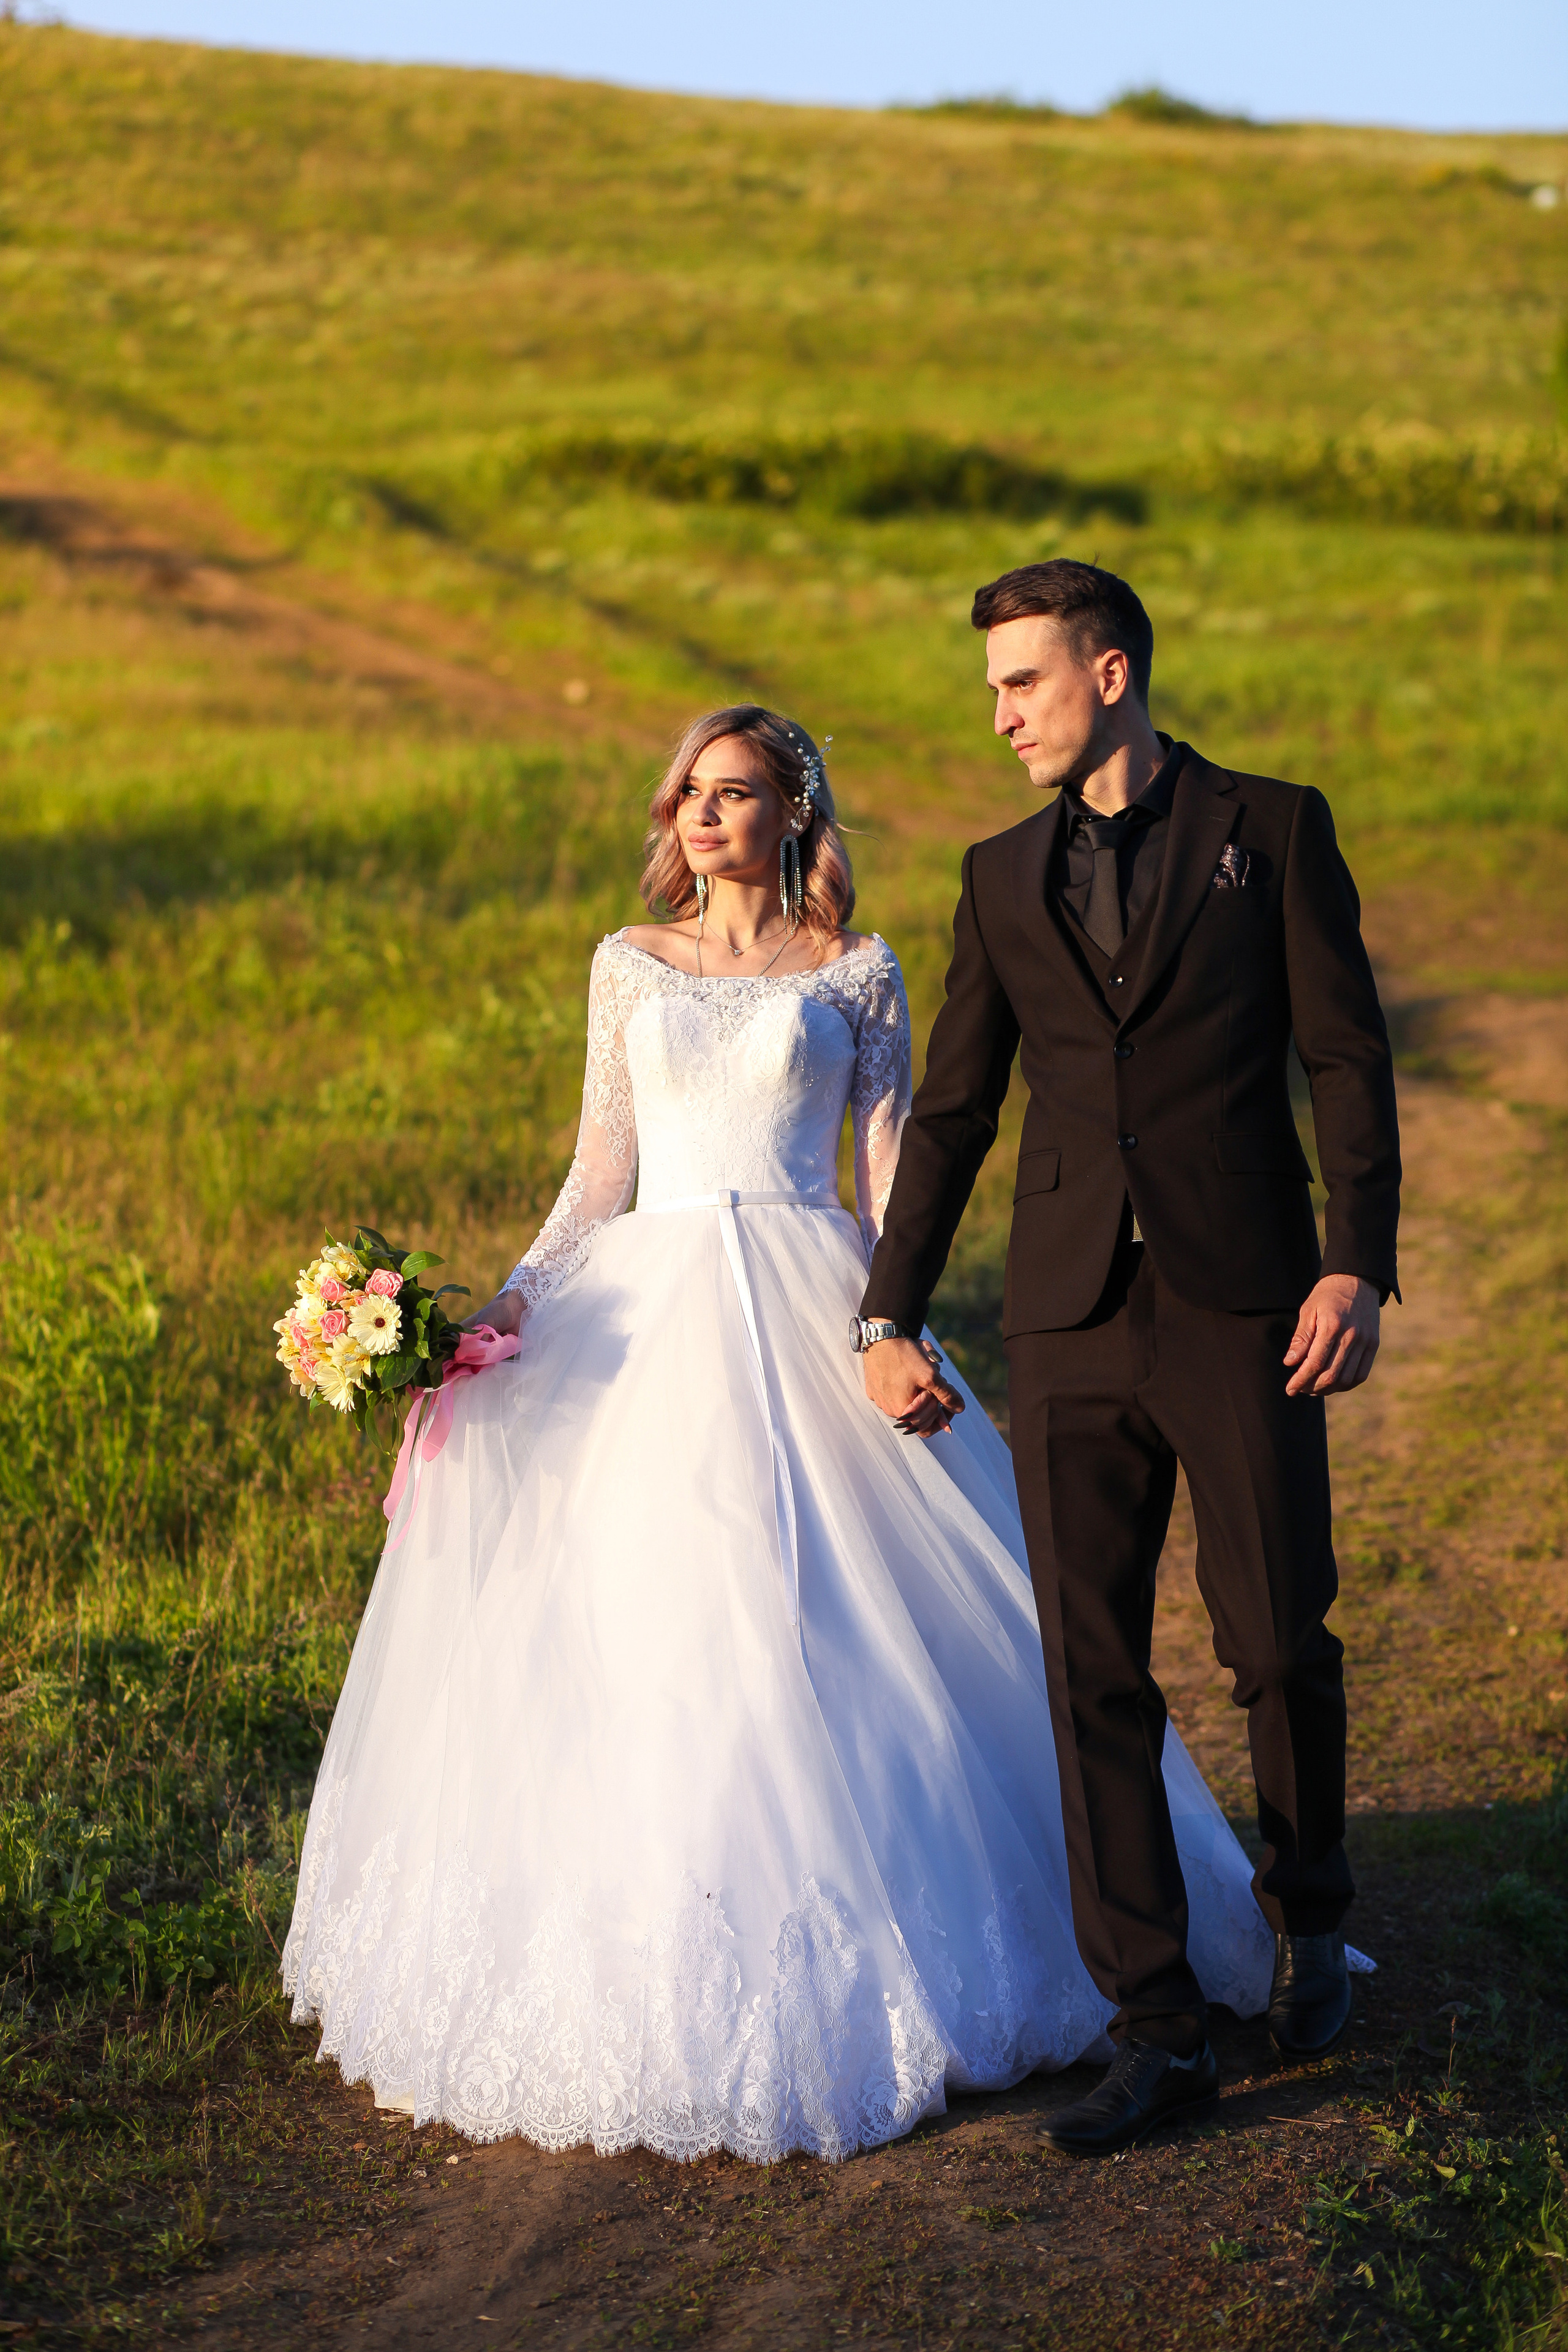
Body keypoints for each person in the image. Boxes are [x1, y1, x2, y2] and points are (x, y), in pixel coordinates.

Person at [281, 703, 1275, 2165]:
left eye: (733, 792)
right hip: (647, 1316)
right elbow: (594, 1175)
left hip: (818, 1301)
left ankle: (1022, 1934)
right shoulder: (627, 967)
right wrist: (493, 1310)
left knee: (859, 1614)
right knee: (665, 1621)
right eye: (688, 791)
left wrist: (902, 1326)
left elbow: (888, 1189)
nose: (701, 814)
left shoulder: (856, 973)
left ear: (792, 816)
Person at [858, 563, 1400, 2157]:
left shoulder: (1274, 831)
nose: (1002, 714)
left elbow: (1346, 1055)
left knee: (1276, 1634)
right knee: (1089, 1668)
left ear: (1109, 671)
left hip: (1245, 1301)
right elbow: (954, 1111)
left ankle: (1308, 1914)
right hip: (1066, 1313)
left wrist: (1355, 1259)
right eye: (992, 690)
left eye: (1022, 681)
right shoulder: (998, 876)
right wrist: (889, 1310)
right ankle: (1153, 2023)